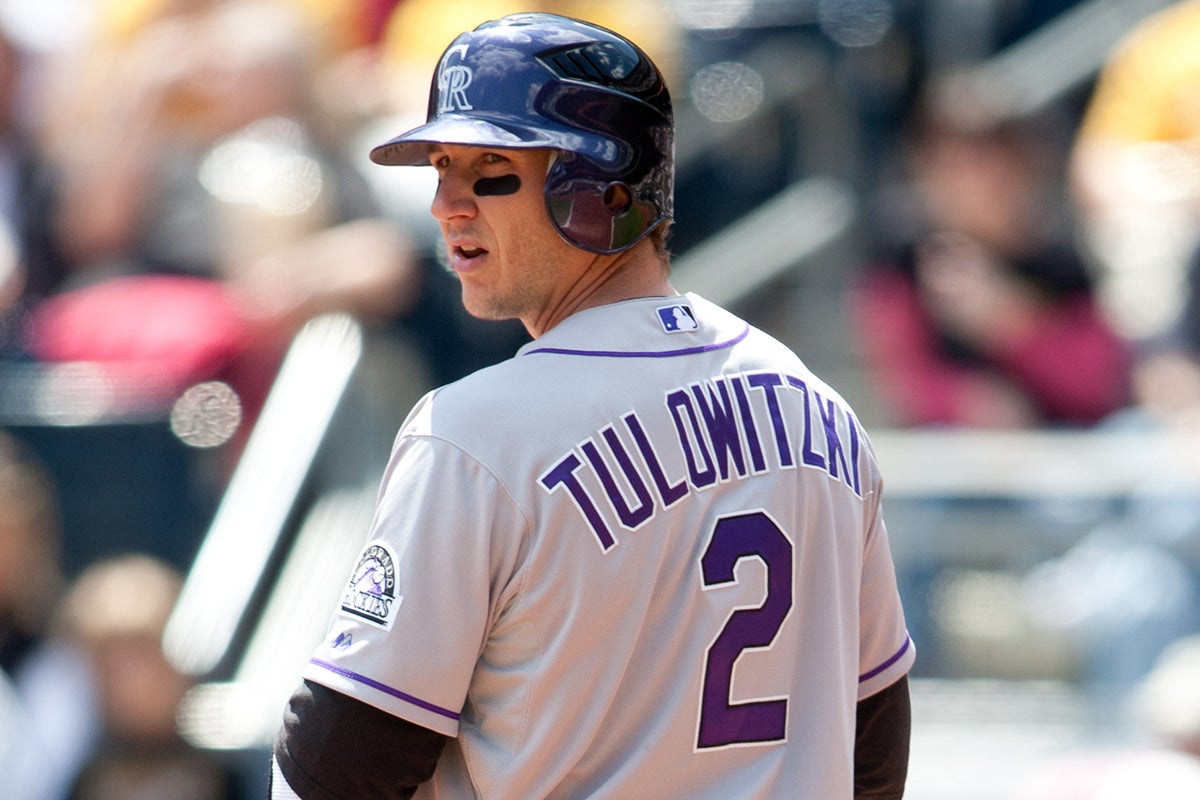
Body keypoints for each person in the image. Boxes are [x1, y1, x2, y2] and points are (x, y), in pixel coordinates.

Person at [270, 12, 914, 800]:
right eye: (441, 168)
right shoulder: (819, 411)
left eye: (491, 172)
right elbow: (874, 745)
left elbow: (341, 765)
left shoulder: (475, 435)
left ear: (600, 195)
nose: (447, 206)